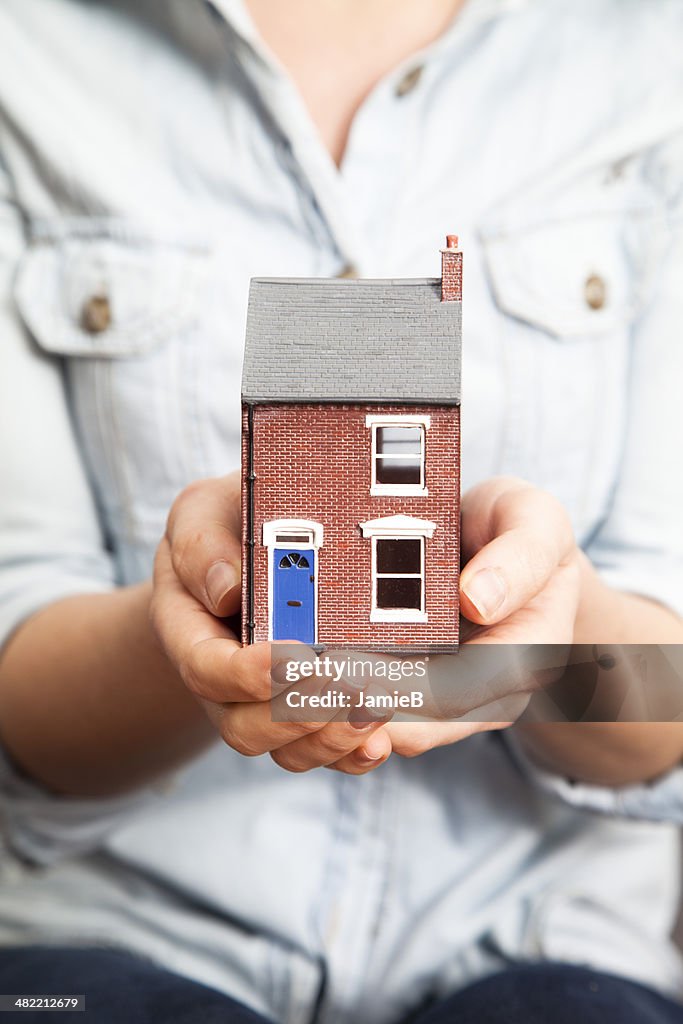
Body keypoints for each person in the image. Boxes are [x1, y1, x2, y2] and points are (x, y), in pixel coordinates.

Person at [1, 0, 683, 1021]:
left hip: (542, 939)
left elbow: (665, 700)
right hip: (116, 935)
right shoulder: (30, 52)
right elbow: (20, 701)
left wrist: (549, 635)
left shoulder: (647, 50)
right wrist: (190, 643)